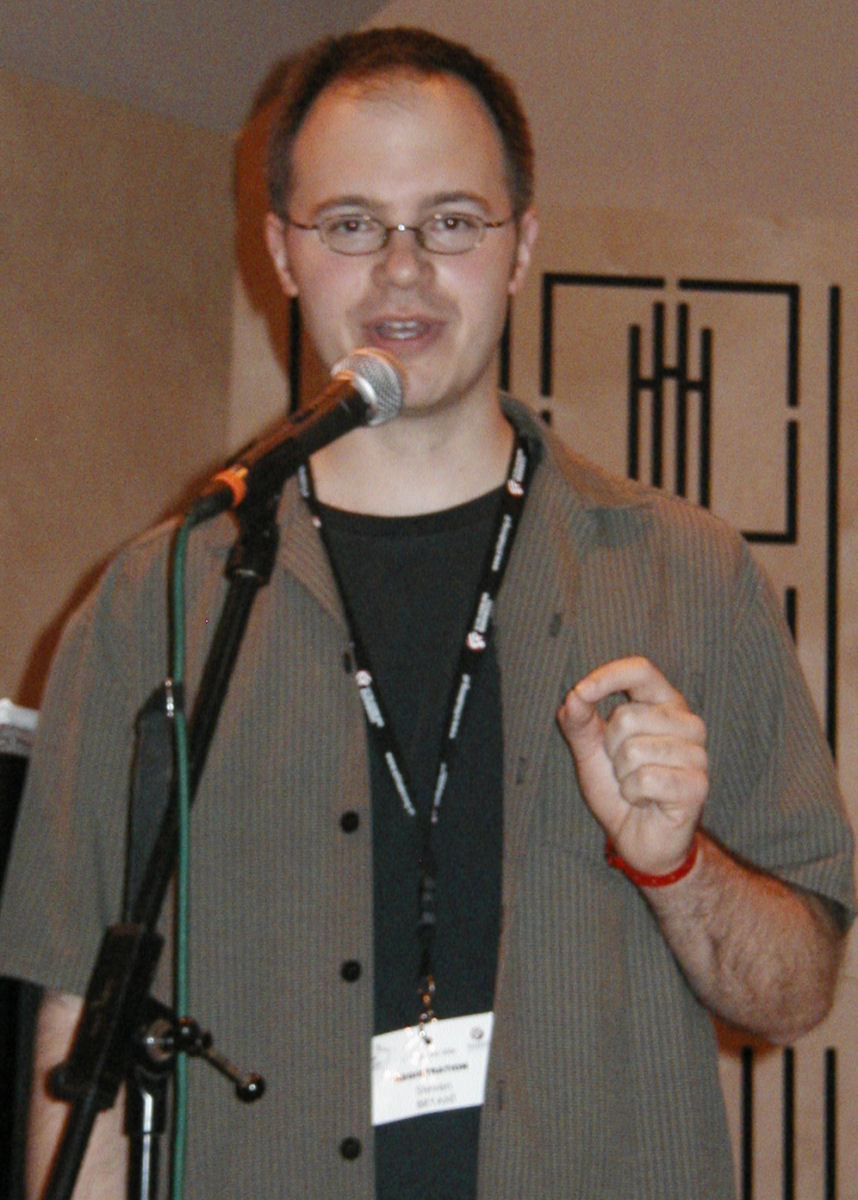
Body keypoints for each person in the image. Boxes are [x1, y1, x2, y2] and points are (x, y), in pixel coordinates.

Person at [0, 25, 854, 1200]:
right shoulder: (159, 600)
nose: (401, 271)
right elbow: (78, 1016)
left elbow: (796, 991)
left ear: (521, 246)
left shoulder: (686, 576)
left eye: (450, 222)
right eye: (352, 224)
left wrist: (678, 869)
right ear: (283, 252)